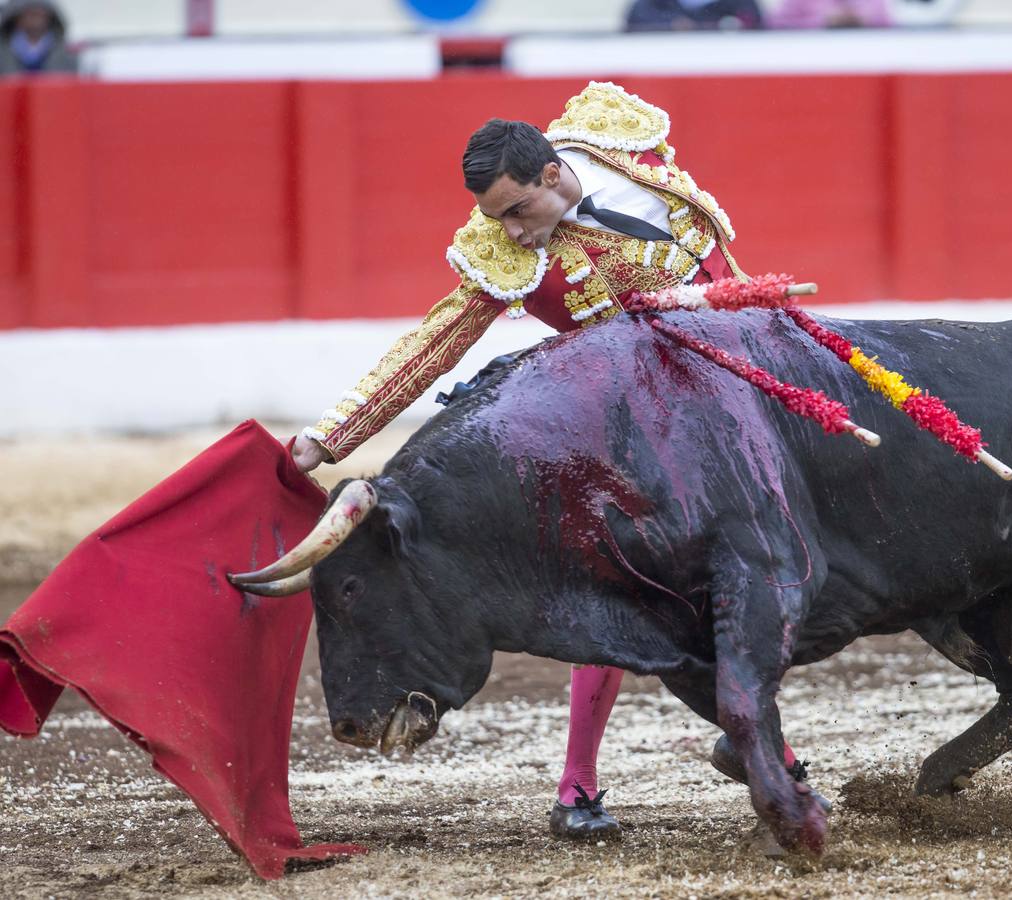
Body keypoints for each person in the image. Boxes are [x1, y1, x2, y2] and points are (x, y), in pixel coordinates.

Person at [291, 81, 805, 841]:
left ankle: (761, 750)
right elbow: (433, 344)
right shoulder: (501, 247)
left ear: (554, 175)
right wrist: (329, 438)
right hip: (633, 432)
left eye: (517, 211)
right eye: (494, 218)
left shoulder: (618, 142)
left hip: (738, 385)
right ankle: (583, 789)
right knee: (620, 594)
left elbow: (718, 267)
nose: (510, 232)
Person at [0, 0, 76, 75]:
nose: (35, 20)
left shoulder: (66, 52)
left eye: (40, 14)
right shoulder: (3, 52)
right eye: (30, 14)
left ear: (50, 18)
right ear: (16, 18)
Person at [625, 0, 763, 32]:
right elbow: (635, 25)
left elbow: (755, 25)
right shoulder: (651, 4)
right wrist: (670, 25)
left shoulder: (740, 3)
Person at [771, 0, 892, 29]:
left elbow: (887, 22)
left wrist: (864, 20)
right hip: (810, 62)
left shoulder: (874, 3)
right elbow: (776, 24)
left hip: (864, 62)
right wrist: (822, 21)